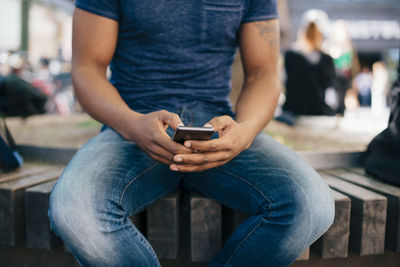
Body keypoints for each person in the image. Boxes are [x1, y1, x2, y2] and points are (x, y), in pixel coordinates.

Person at [48, 1, 334, 266]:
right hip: (132, 127)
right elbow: (87, 69)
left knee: (311, 206)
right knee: (76, 210)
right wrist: (132, 125)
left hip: (217, 132)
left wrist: (245, 132)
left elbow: (264, 74)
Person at [280, 9, 336, 122]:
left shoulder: (290, 56)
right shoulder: (326, 60)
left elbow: (282, 82)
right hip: (317, 111)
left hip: (293, 111)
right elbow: (331, 91)